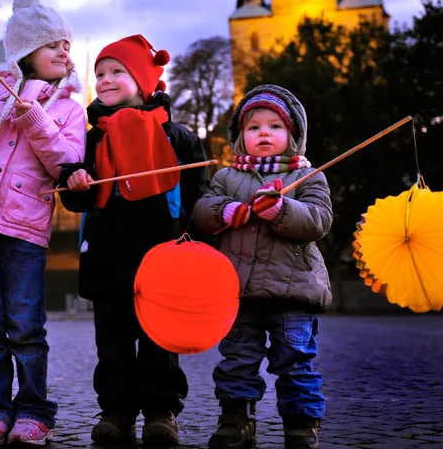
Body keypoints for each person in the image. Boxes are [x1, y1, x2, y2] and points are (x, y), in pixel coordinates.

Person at [59, 34, 209, 447]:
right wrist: (74, 181)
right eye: (100, 74)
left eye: (116, 72)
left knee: (161, 340)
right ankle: (116, 412)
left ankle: (162, 412)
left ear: (142, 81)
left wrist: (195, 242)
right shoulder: (89, 138)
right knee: (113, 343)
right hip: (107, 254)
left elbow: (198, 195)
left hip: (163, 254)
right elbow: (76, 198)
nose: (104, 80)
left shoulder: (178, 137)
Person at [0, 0, 86, 446]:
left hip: (25, 233)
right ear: (27, 51)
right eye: (54, 44)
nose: (65, 52)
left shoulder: (69, 109)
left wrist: (36, 120)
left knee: (27, 328)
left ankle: (34, 412)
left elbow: (67, 164)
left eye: (67, 46)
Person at [192, 85, 332, 449]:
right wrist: (225, 211)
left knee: (296, 358)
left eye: (275, 126)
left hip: (294, 291)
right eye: (253, 127)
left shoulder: (309, 176)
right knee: (237, 359)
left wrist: (282, 210)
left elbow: (319, 220)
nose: (264, 133)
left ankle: (301, 422)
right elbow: (202, 212)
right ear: (240, 138)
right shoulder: (226, 177)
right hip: (237, 291)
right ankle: (236, 418)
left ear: (293, 136)